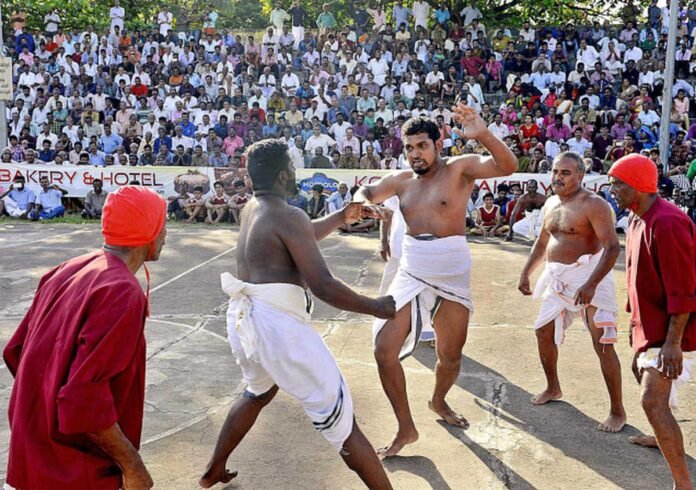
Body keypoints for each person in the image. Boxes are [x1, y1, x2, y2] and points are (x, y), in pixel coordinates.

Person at [199, 139, 395, 489]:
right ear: (283, 174)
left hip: (245, 322)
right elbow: (323, 285)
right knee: (343, 421)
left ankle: (214, 468)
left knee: (258, 391)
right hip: (278, 328)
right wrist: (377, 306)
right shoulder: (289, 216)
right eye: (292, 166)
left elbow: (296, 236)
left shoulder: (254, 208)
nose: (295, 172)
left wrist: (340, 216)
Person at [354, 105, 518, 457]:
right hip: (411, 272)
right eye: (409, 147)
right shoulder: (400, 181)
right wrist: (362, 204)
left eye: (422, 146)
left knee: (450, 357)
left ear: (438, 144)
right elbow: (366, 192)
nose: (415, 154)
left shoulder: (461, 169)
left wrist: (484, 134)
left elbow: (508, 167)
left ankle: (438, 401)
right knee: (384, 351)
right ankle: (405, 428)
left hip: (452, 274)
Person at [3, 186, 166, 489]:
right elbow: (83, 398)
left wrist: (47, 407)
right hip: (73, 466)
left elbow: (16, 351)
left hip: (32, 449)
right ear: (149, 231)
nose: (167, 234)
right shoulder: (121, 291)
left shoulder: (67, 269)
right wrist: (133, 466)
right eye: (163, 223)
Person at [516, 152, 626, 432]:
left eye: (565, 173)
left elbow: (612, 247)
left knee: (602, 344)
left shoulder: (594, 204)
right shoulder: (551, 202)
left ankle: (617, 410)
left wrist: (590, 284)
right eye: (555, 172)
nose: (558, 177)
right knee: (542, 331)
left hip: (591, 277)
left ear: (580, 176)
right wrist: (526, 272)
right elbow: (542, 243)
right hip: (557, 278)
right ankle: (553, 387)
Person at [608, 155, 696, 490]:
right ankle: (660, 437)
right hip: (652, 327)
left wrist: (672, 343)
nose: (612, 189)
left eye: (618, 183)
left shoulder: (668, 222)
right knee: (657, 402)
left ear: (640, 186)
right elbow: (636, 282)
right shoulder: (634, 218)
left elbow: (684, 288)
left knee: (652, 402)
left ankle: (683, 484)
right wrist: (638, 341)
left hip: (674, 330)